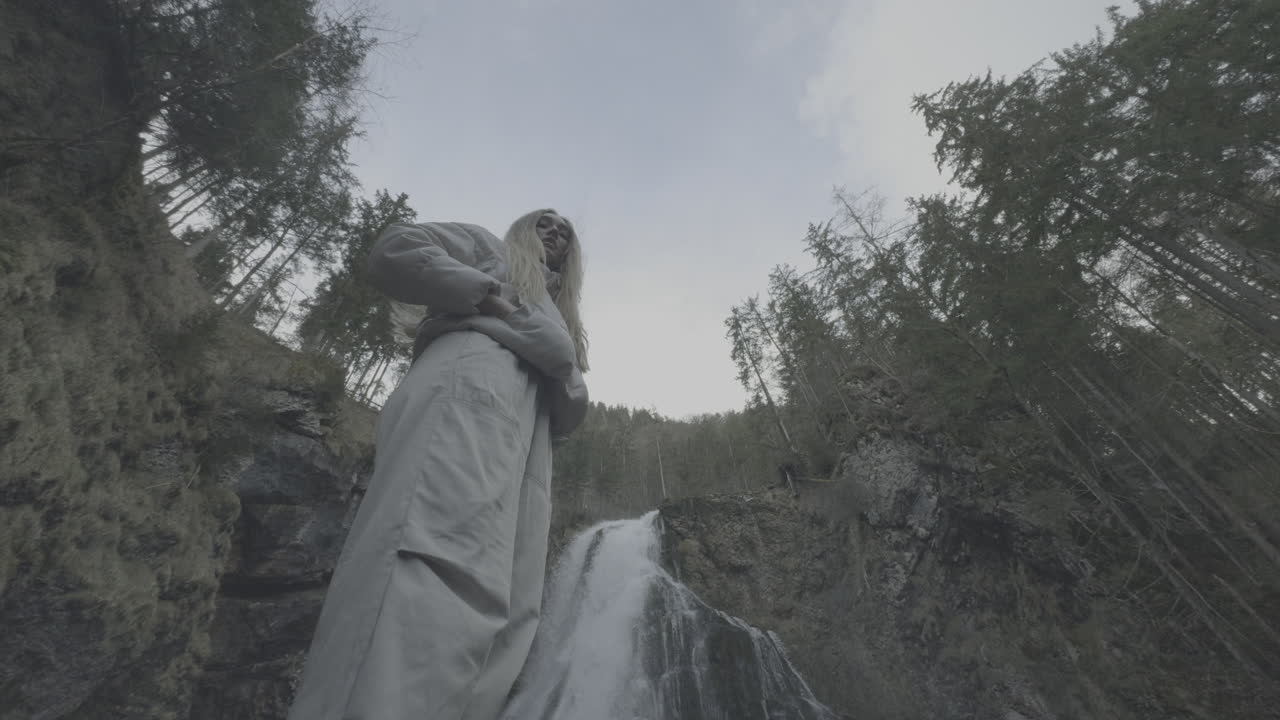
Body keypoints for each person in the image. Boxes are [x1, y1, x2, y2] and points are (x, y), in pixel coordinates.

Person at [286, 209, 590, 720]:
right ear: (520, 230)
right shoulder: (485, 247)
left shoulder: (562, 316)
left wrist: (548, 347)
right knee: (426, 561)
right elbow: (395, 250)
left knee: (511, 612)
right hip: (471, 387)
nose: (556, 229)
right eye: (544, 222)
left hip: (531, 443)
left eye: (565, 229)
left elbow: (571, 393)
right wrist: (491, 298)